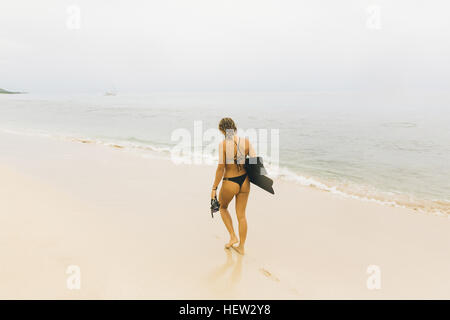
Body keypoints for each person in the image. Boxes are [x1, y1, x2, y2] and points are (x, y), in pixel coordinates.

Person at [211, 118, 255, 255]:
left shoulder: (223, 145)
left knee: (223, 207)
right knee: (241, 216)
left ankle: (232, 236)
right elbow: (255, 163)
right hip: (245, 182)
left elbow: (220, 168)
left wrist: (214, 188)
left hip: (230, 181)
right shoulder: (247, 142)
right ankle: (241, 247)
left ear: (222, 130)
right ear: (234, 127)